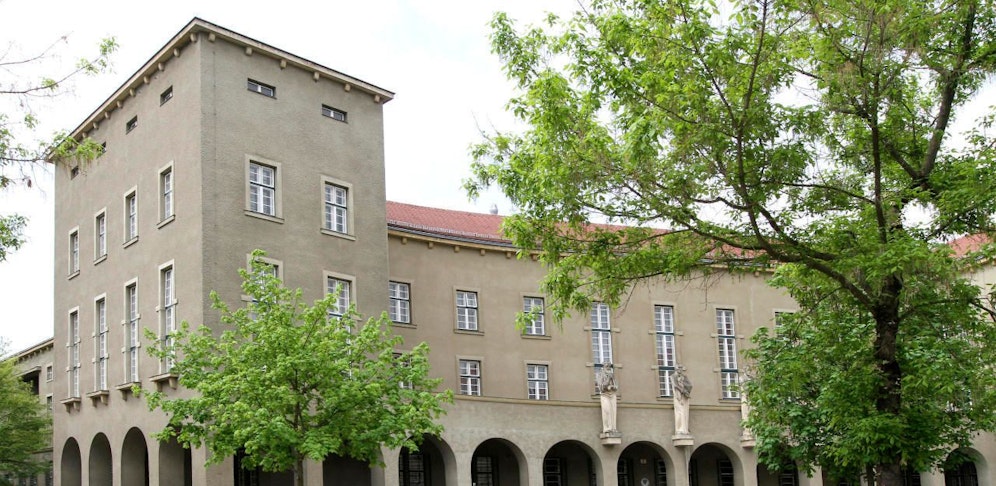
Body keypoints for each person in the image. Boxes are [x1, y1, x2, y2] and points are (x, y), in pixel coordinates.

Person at [596, 363, 619, 434]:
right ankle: (607, 428)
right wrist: (609, 378)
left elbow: (616, 386)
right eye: (607, 366)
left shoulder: (612, 375)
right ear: (603, 367)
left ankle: (613, 428)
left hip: (612, 395)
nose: (608, 367)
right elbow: (602, 387)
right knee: (607, 411)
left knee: (613, 412)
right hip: (604, 395)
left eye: (609, 366)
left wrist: (613, 387)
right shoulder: (600, 375)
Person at [671, 365, 692, 435]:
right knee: (680, 412)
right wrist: (683, 390)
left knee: (685, 412)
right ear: (676, 369)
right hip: (678, 396)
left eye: (681, 369)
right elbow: (675, 385)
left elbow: (690, 385)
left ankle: (685, 429)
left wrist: (686, 390)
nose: (680, 370)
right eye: (679, 368)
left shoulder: (684, 377)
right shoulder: (673, 376)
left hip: (685, 396)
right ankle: (680, 429)